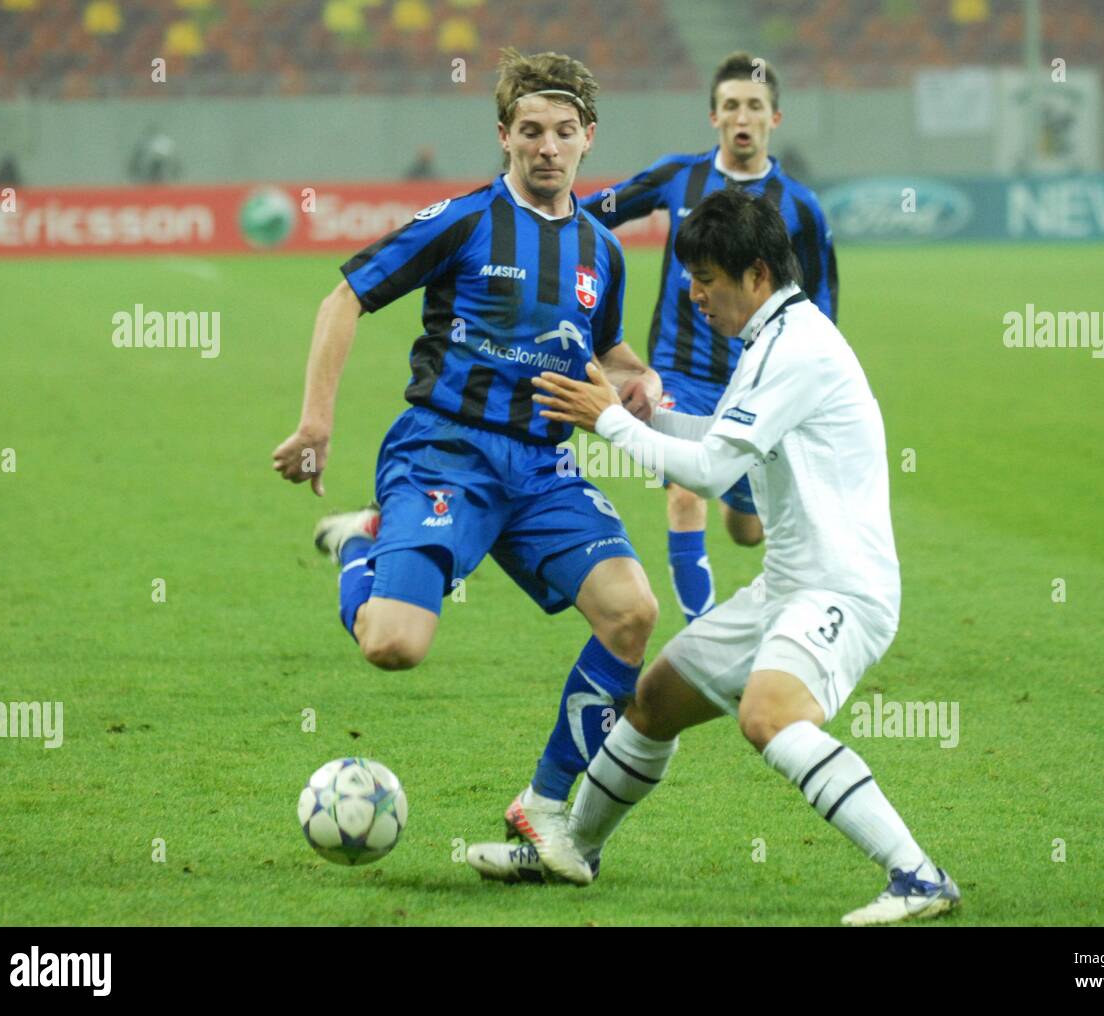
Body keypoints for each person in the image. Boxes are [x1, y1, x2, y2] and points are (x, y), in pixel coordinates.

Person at [468, 188, 960, 926]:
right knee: (654, 699)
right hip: (786, 588)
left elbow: (710, 472)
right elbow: (716, 437)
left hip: (841, 592)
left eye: (707, 280)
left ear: (756, 275)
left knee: (768, 716)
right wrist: (645, 412)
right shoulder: (775, 337)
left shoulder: (797, 348)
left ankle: (920, 878)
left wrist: (605, 419)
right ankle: (569, 849)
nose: (695, 296)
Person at [271, 49, 663, 885]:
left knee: (631, 614)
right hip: (446, 452)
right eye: (530, 132)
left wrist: (639, 380)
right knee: (394, 646)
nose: (547, 147)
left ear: (588, 139)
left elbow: (606, 351)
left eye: (563, 132)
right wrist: (315, 420)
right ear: (504, 136)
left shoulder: (601, 248)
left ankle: (545, 808)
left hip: (544, 467)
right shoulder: (465, 219)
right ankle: (359, 547)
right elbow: (345, 297)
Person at [580, 52, 837, 625]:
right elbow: (594, 214)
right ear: (713, 116)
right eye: (730, 106)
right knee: (685, 489)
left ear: (776, 117)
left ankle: (743, 509)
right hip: (680, 372)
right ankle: (703, 633)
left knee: (747, 528)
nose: (742, 117)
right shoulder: (679, 177)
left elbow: (821, 306)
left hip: (757, 381)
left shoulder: (801, 207)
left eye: (754, 106)